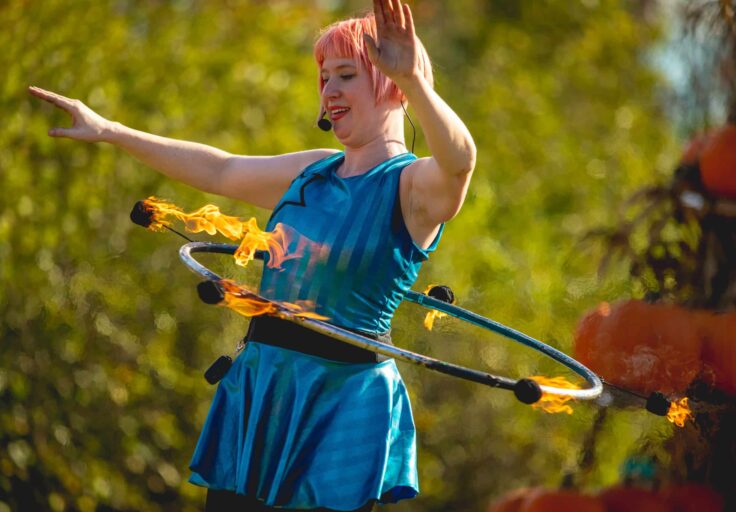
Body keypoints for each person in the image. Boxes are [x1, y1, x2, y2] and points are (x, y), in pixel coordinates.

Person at [29, 0, 475, 510]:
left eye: (346, 75)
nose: (329, 91)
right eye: (324, 77)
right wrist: (110, 130)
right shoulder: (313, 172)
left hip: (341, 404)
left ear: (392, 84)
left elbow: (460, 161)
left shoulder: (414, 188)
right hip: (263, 386)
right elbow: (219, 170)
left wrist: (416, 81)